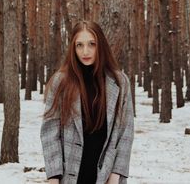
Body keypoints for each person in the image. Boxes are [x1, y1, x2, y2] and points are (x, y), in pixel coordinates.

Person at [40, 20, 134, 184]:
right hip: (70, 174)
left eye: (92, 44)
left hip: (106, 176)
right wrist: (54, 177)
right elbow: (50, 132)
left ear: (101, 46)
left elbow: (126, 132)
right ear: (73, 48)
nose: (85, 51)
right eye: (79, 45)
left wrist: (116, 174)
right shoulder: (60, 82)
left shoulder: (119, 82)